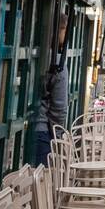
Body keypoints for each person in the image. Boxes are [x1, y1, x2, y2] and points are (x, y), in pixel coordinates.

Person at [33, 14, 69, 165]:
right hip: (42, 131)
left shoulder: (30, 54)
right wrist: (58, 135)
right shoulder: (58, 66)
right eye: (65, 30)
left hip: (22, 127)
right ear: (59, 31)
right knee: (39, 180)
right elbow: (59, 109)